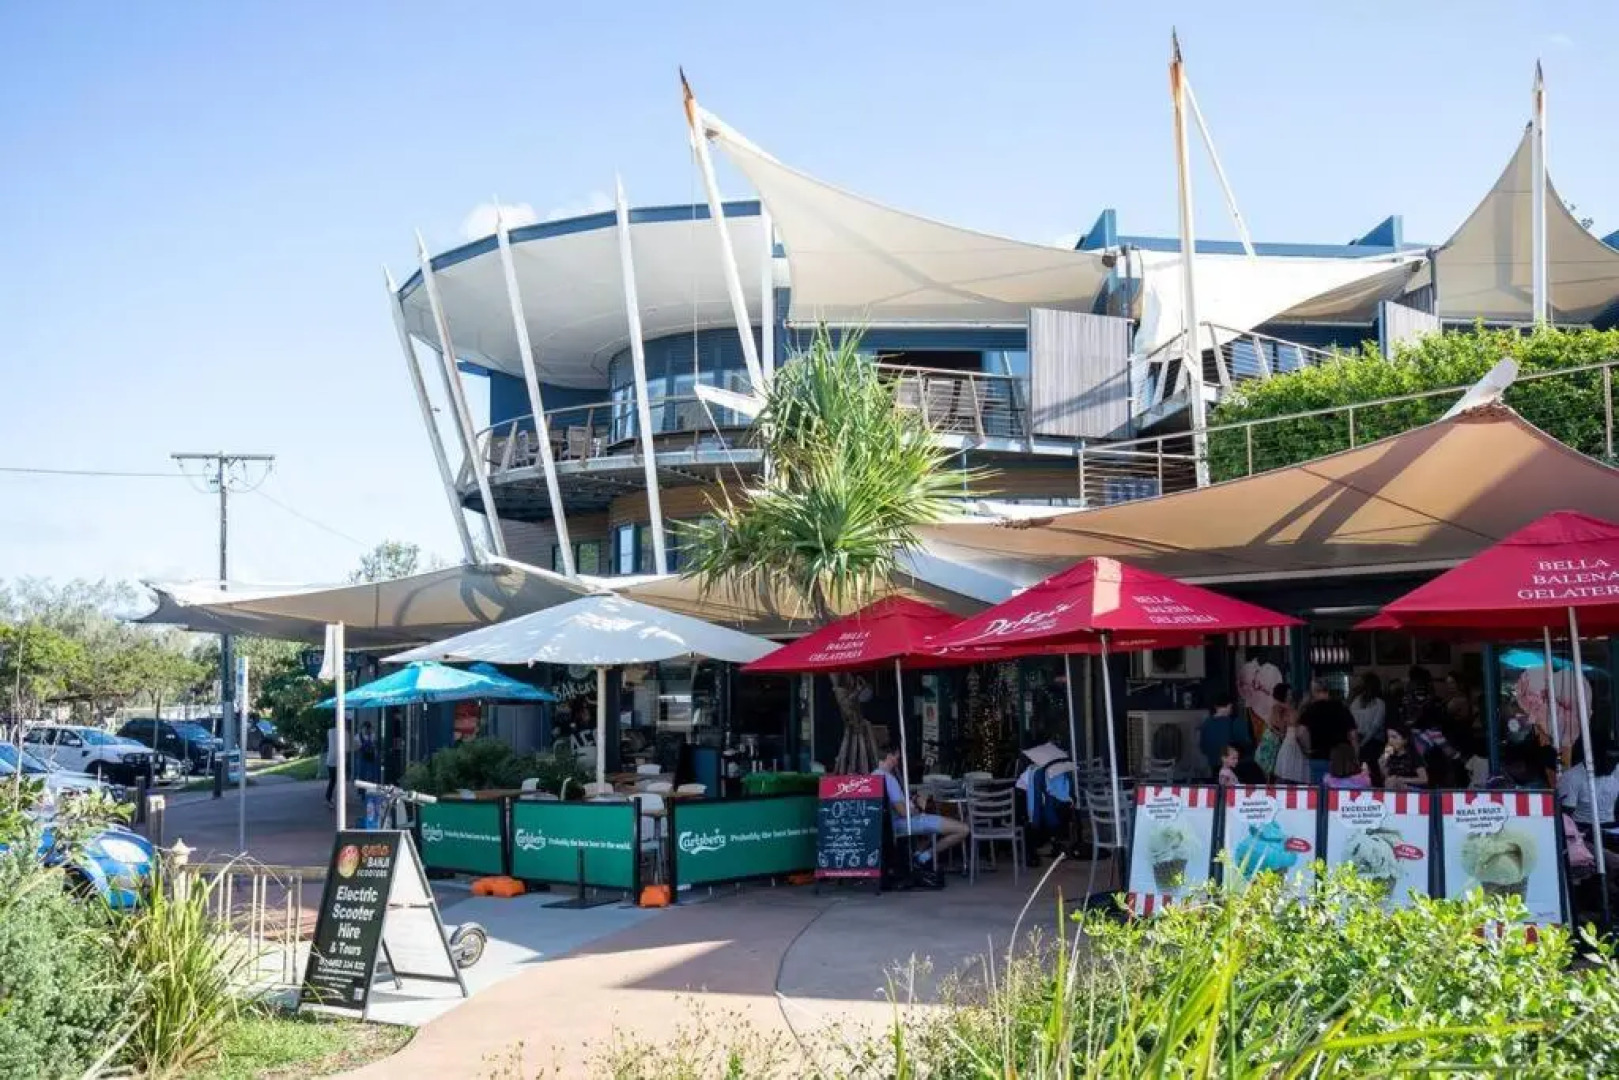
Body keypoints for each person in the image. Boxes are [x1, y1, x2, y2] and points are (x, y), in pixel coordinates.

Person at [875, 743, 967, 883]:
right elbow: (902, 812)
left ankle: (919, 854)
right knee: (963, 829)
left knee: (929, 832)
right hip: (904, 824)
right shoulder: (889, 779)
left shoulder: (873, 776)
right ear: (889, 756)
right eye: (897, 757)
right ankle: (924, 857)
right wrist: (917, 809)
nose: (898, 761)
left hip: (889, 826)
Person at [1298, 679, 1355, 783]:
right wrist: (1355, 755)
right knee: (1339, 794)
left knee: (1320, 794)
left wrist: (1308, 749)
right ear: (1328, 690)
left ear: (1314, 692)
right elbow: (1353, 735)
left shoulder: (1309, 710)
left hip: (1318, 757)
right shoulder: (1341, 708)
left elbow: (1301, 733)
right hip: (1341, 760)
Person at [1558, 739, 1619, 832]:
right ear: (1594, 758)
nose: (1613, 765)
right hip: (1584, 830)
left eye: (1616, 760)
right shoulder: (1571, 777)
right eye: (1609, 760)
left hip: (1611, 827)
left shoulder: (1616, 770)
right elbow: (1566, 817)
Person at [1199, 693, 1252, 779]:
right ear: (1230, 705)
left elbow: (1203, 748)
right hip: (1234, 768)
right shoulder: (1235, 723)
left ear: (1216, 706)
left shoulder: (1206, 724)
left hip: (1213, 767)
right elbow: (1246, 744)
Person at [1256, 683, 1294, 779]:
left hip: (1273, 739)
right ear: (1283, 695)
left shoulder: (1280, 707)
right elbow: (1278, 725)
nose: (1291, 696)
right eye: (1289, 694)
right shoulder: (1279, 708)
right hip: (1274, 741)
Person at [1348, 673, 1386, 756]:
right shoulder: (1356, 701)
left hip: (1374, 742)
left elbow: (1375, 728)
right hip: (1358, 738)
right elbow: (1351, 720)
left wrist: (1361, 743)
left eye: (1361, 683)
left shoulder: (1380, 704)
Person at [323, 719, 340, 808]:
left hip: (330, 761)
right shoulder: (339, 732)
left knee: (333, 781)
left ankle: (328, 798)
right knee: (334, 781)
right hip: (336, 761)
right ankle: (329, 798)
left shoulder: (330, 732)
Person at [357, 720, 379, 784]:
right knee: (362, 774)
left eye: (368, 728)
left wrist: (374, 750)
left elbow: (375, 746)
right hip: (362, 756)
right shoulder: (358, 736)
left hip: (371, 756)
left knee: (372, 774)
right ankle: (361, 791)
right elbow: (356, 747)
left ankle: (371, 790)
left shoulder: (372, 735)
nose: (366, 730)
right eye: (365, 728)